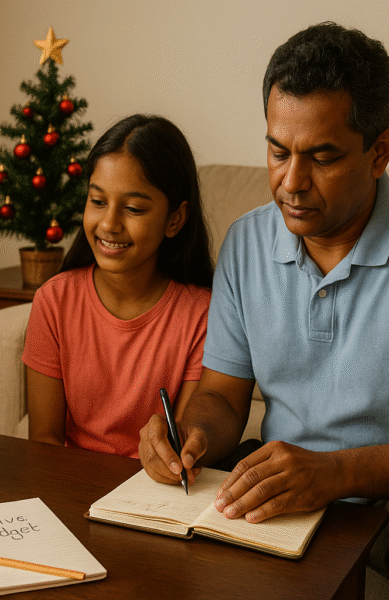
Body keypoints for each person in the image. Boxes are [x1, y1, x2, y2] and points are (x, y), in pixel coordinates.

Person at [139, 21, 389, 574]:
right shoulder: (248, 242)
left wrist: (339, 473)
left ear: (379, 153)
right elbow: (224, 398)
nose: (291, 182)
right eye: (278, 151)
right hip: (281, 501)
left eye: (322, 158)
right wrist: (195, 435)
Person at [22, 114, 213, 458]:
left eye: (133, 208)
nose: (109, 224)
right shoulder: (54, 300)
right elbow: (44, 440)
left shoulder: (202, 313)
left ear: (175, 219)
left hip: (153, 493)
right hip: (70, 485)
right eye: (97, 202)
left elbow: (181, 444)